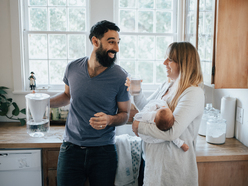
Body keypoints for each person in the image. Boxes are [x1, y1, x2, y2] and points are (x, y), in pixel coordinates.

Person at [50, 20, 131, 186]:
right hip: (70, 149)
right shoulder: (72, 68)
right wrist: (44, 102)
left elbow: (125, 114)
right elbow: (67, 95)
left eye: (117, 42)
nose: (116, 48)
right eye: (111, 42)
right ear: (95, 41)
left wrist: (109, 119)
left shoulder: (120, 76)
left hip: (104, 152)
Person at [125, 42, 204, 186]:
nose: (164, 63)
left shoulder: (193, 93)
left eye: (170, 60)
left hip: (173, 170)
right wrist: (136, 91)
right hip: (154, 165)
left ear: (184, 63)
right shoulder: (167, 85)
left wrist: (139, 126)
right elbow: (146, 109)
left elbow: (172, 132)